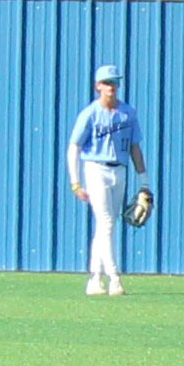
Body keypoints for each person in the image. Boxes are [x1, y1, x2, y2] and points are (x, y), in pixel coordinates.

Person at [67, 65, 150, 296]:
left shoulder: (128, 113)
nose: (111, 87)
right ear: (98, 86)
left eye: (114, 82)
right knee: (106, 222)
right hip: (95, 168)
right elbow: (74, 147)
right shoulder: (90, 114)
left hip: (119, 169)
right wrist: (75, 181)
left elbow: (135, 147)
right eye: (106, 83)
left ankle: (95, 279)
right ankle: (114, 278)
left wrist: (144, 181)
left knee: (106, 227)